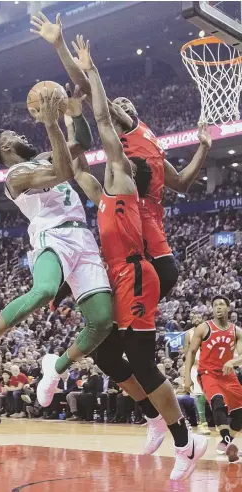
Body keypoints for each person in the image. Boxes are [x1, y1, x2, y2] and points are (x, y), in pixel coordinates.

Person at [66, 37, 207, 481]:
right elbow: (76, 168)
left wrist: (89, 71)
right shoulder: (115, 180)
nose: (123, 104)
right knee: (106, 349)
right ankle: (151, 417)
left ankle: (186, 440)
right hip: (131, 267)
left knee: (139, 358)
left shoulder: (128, 171)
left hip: (145, 266)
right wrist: (67, 121)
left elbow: (105, 116)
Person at [0, 87, 113, 409]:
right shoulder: (16, 176)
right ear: (6, 146)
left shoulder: (40, 158)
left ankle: (56, 367)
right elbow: (63, 172)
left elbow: (80, 146)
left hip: (84, 238)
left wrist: (75, 113)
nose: (21, 132)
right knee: (45, 291)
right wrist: (52, 124)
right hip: (52, 235)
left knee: (103, 321)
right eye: (13, 133)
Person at [30, 11, 212, 301]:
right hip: (130, 211)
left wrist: (204, 147)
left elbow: (181, 183)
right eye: (118, 104)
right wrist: (60, 45)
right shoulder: (123, 128)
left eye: (127, 102)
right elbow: (91, 91)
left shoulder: (150, 142)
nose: (122, 104)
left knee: (143, 286)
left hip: (149, 217)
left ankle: (105, 309)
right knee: (163, 275)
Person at [185, 295, 242, 463]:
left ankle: (226, 442)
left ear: (228, 308)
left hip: (228, 375)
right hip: (208, 373)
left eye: (221, 304)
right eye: (215, 305)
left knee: (240, 415)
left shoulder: (236, 331)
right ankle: (227, 441)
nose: (218, 307)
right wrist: (187, 378)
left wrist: (233, 360)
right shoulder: (203, 328)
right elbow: (191, 352)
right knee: (218, 401)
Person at [184, 315, 211, 435]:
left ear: (203, 319)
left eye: (199, 317)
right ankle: (202, 423)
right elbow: (186, 352)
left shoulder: (208, 330)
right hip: (196, 367)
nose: (196, 319)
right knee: (199, 395)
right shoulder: (188, 333)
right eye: (194, 317)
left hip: (209, 366)